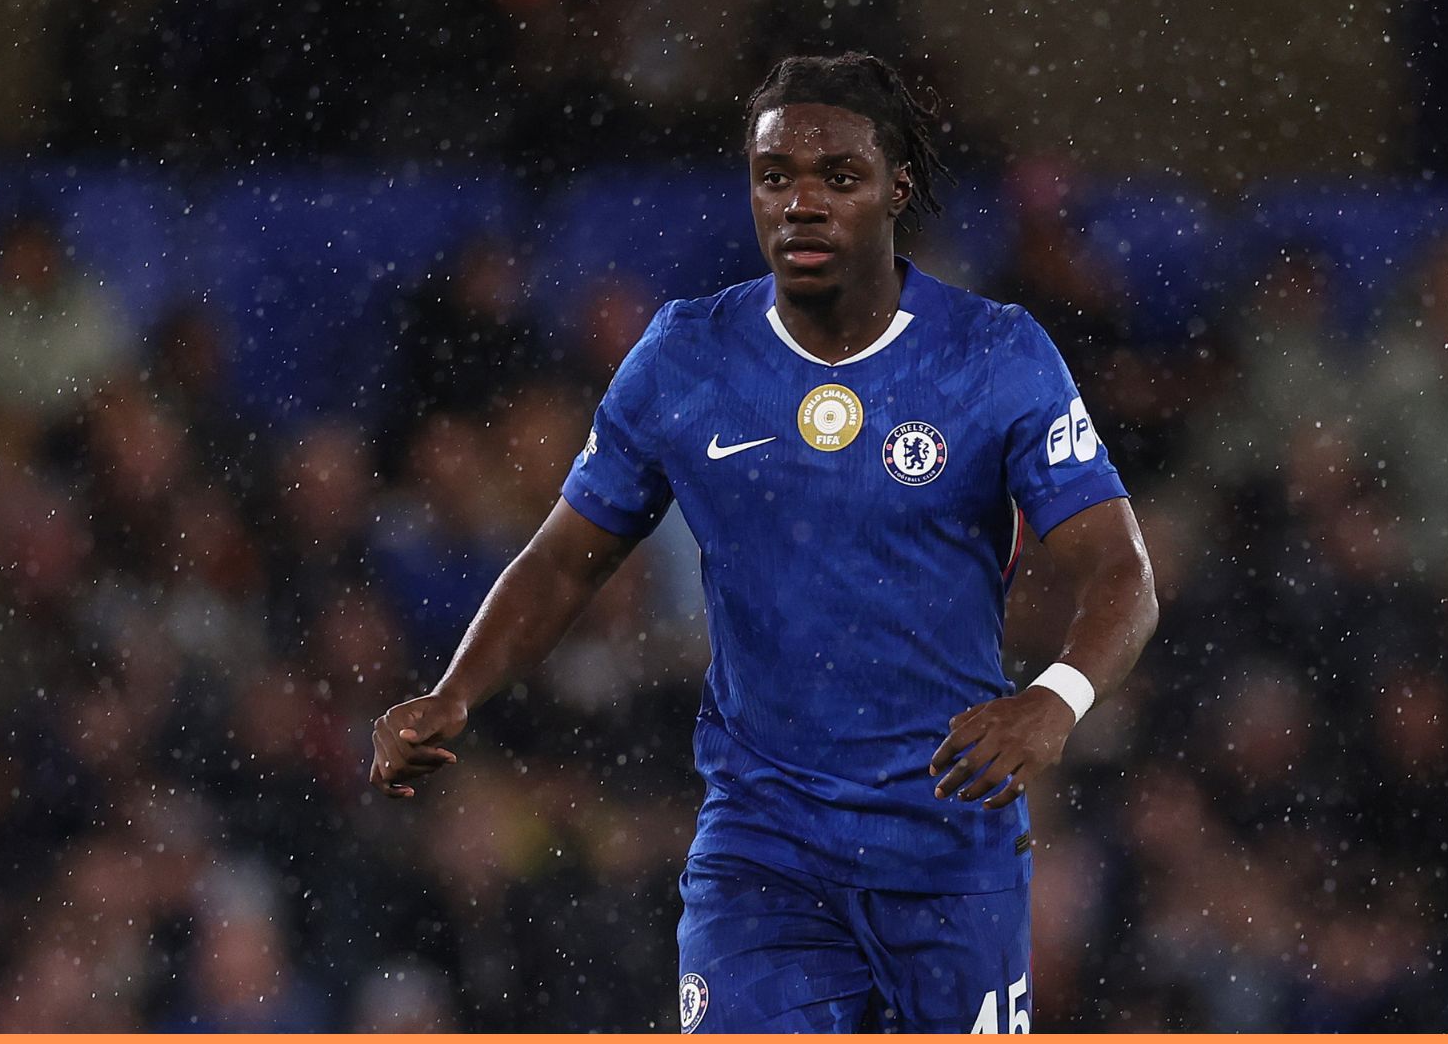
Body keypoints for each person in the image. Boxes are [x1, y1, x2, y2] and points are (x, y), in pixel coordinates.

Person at [369, 52, 1158, 1033]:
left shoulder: (994, 355)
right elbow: (565, 557)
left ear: (896, 188)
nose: (802, 203)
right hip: (764, 845)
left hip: (947, 844)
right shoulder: (685, 356)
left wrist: (1056, 699)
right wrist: (456, 690)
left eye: (839, 177)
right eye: (775, 175)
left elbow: (1122, 571)